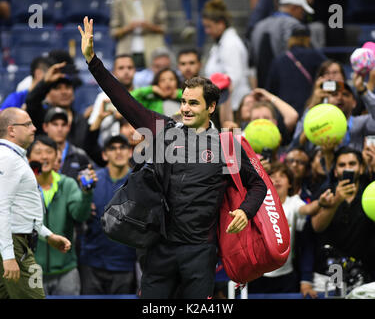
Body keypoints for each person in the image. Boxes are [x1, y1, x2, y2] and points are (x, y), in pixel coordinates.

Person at [78, 16, 267, 299]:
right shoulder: (164, 130)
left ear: (211, 106)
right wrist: (93, 61)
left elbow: (258, 184)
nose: (186, 108)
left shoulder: (227, 144)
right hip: (160, 248)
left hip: (201, 252)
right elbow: (125, 102)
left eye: (193, 103)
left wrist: (245, 210)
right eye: (183, 101)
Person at [0, 107, 71, 299]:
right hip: (16, 247)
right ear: (12, 130)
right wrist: (8, 256)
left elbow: (19, 210)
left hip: (17, 242)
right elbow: (2, 208)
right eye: (28, 124)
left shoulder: (13, 157)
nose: (34, 128)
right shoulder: (8, 159)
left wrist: (46, 235)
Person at [26, 135, 96, 296]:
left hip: (66, 270)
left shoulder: (67, 184)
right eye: (38, 152)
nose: (44, 156)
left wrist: (86, 193)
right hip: (32, 270)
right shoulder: (23, 186)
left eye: (49, 152)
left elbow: (80, 215)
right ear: (29, 157)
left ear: (57, 155)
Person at [247, 162, 329, 297]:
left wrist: (320, 203)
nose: (277, 179)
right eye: (272, 176)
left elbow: (307, 209)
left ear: (290, 184)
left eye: (282, 176)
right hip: (257, 275)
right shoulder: (255, 202)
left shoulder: (294, 202)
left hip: (286, 276)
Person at [310, 146, 375, 292]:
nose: (348, 168)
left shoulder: (370, 190)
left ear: (361, 167)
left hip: (365, 270)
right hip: (332, 269)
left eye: (352, 164)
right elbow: (317, 227)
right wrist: (337, 201)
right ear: (335, 170)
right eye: (342, 165)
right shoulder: (326, 191)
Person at [80, 135, 137, 295]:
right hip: (92, 261)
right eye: (112, 148)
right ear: (104, 155)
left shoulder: (138, 182)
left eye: (122, 147)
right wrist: (84, 198)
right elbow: (80, 214)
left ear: (130, 152)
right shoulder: (92, 181)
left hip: (124, 262)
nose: (118, 152)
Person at [25, 58, 89, 149]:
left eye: (67, 87)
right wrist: (45, 82)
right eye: (57, 88)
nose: (64, 92)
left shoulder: (81, 120)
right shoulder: (41, 116)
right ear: (48, 94)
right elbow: (31, 101)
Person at [250, 0, 314, 87]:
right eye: (302, 11)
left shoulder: (259, 25)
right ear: (294, 8)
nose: (302, 16)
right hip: (286, 85)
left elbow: (252, 58)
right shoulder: (295, 26)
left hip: (261, 84)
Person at [266, 24, 327, 117]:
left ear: (290, 39)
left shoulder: (279, 60)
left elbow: (271, 89)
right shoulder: (316, 57)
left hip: (285, 111)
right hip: (309, 108)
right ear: (308, 39)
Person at [202, 0, 251, 111]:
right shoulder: (220, 44)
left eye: (209, 26)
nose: (207, 31)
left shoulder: (230, 44)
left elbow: (233, 78)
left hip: (234, 106)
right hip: (225, 104)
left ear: (221, 24)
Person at [88, 54, 137, 148]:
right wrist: (111, 116)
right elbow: (92, 128)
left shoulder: (143, 96)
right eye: (121, 68)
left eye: (130, 68)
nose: (126, 71)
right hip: (110, 150)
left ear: (135, 70)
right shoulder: (103, 97)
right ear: (114, 72)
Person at [109, 0, 168, 70]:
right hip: (126, 49)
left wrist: (149, 26)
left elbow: (164, 28)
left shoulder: (156, 1)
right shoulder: (119, 2)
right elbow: (114, 32)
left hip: (152, 48)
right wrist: (129, 28)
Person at [43, 107, 94, 180]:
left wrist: (85, 187)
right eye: (55, 124)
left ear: (68, 127)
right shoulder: (38, 156)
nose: (59, 129)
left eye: (63, 125)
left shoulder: (80, 156)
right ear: (45, 127)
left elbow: (88, 187)